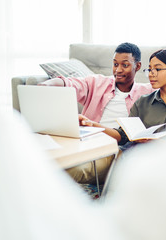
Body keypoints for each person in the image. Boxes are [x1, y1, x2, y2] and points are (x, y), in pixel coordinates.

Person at [39, 42, 154, 184]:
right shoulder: (97, 82)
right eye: (115, 64)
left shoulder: (146, 92)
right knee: (42, 157)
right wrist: (47, 85)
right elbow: (70, 84)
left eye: (125, 65)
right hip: (85, 141)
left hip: (114, 147)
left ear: (137, 66)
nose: (118, 70)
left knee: (71, 172)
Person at [81, 48, 166, 150]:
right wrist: (92, 124)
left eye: (157, 69)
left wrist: (154, 142)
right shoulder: (143, 102)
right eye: (150, 69)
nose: (151, 74)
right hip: (135, 159)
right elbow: (123, 136)